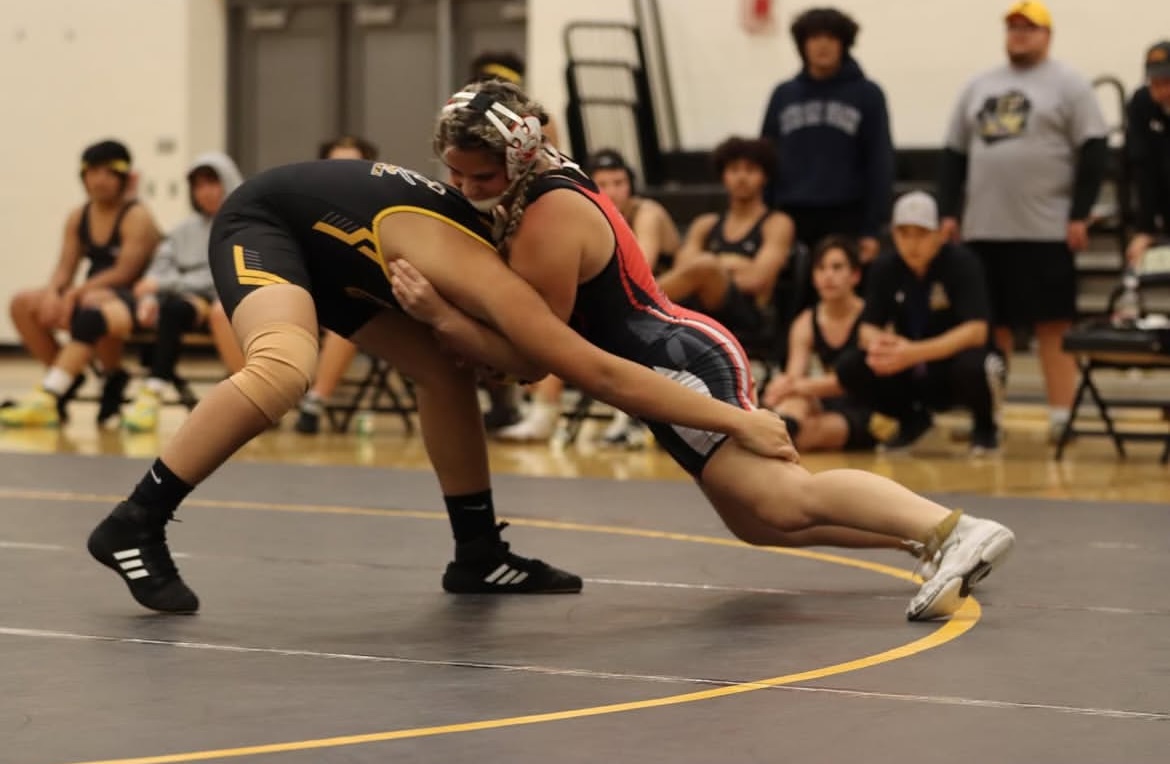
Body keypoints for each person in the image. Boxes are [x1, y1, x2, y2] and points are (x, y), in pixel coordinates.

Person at [400, 80, 1015, 621]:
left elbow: (536, 356)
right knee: (754, 521)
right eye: (455, 174)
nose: (466, 189)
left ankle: (955, 530)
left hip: (677, 364)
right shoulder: (537, 175)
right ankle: (923, 538)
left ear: (522, 154)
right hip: (670, 355)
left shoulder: (546, 218)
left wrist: (443, 318)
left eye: (481, 177)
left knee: (785, 497)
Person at [84, 157, 794, 615]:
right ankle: (135, 520)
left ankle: (478, 553)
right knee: (282, 369)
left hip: (339, 244)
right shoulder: (492, 259)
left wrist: (462, 335)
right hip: (270, 223)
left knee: (441, 370)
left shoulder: (514, 236)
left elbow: (515, 360)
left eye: (476, 176)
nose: (467, 186)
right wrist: (731, 421)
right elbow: (575, 368)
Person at [937, 0, 1108, 440]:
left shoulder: (1069, 84)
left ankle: (1060, 416)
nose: (1019, 35)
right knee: (993, 329)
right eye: (1013, 27)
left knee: (1054, 324)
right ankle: (990, 415)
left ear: (1047, 36)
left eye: (1028, 28)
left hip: (1045, 229)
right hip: (984, 228)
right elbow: (954, 153)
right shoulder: (978, 85)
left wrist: (1079, 215)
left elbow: (1093, 151)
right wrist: (948, 213)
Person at [495, 148, 682, 445]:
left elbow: (636, 274)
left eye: (619, 182)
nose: (613, 191)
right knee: (558, 327)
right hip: (624, 305)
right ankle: (543, 412)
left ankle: (629, 416)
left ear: (631, 184)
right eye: (604, 184)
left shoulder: (648, 212)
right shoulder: (586, 211)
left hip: (666, 301)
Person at [3, 140, 160, 427]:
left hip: (132, 298)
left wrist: (76, 293)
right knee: (23, 303)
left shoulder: (137, 216)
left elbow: (125, 272)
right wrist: (54, 292)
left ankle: (111, 375)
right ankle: (64, 377)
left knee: (94, 302)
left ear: (123, 178)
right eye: (93, 172)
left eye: (108, 173)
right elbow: (66, 266)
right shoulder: (79, 216)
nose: (99, 180)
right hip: (92, 292)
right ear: (83, 176)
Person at [836, 192, 1005, 455]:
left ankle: (985, 427)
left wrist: (914, 352)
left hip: (952, 365)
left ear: (939, 234)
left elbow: (977, 331)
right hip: (909, 365)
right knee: (851, 365)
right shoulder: (884, 268)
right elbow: (867, 328)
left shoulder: (963, 263)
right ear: (893, 235)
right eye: (904, 234)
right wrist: (885, 345)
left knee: (975, 364)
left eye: (921, 234)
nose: (912, 244)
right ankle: (911, 420)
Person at [120, 153, 244, 433]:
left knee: (183, 307)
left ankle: (155, 385)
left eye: (212, 183)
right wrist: (149, 295)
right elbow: (160, 266)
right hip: (186, 302)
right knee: (170, 309)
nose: (206, 192)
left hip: (229, 301)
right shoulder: (183, 230)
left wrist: (163, 286)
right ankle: (153, 388)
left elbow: (221, 275)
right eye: (198, 186)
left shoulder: (246, 225)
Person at [759, 7, 893, 264]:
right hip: (790, 213)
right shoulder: (782, 95)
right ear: (802, 44)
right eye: (814, 37)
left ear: (844, 44)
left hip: (846, 212)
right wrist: (764, 218)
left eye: (831, 38)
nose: (823, 45)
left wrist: (871, 228)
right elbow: (765, 159)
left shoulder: (868, 94)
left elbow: (879, 161)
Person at [657, 136, 794, 343]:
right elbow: (683, 269)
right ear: (723, 175)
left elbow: (757, 279)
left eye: (750, 170)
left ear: (764, 176)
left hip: (749, 314)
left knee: (706, 266)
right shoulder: (705, 224)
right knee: (704, 268)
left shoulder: (776, 223)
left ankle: (637, 302)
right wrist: (735, 264)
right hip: (699, 309)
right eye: (734, 170)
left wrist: (713, 268)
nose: (741, 177)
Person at [294, 135, 380, 434]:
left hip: (363, 301)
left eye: (351, 167)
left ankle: (314, 402)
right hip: (306, 297)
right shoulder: (300, 209)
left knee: (346, 321)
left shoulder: (385, 214)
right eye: (335, 167)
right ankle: (266, 400)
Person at [761, 236, 878, 452]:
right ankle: (769, 432)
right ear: (813, 277)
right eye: (821, 268)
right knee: (793, 401)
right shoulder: (806, 321)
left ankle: (765, 439)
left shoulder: (871, 318)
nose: (828, 276)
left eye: (837, 267)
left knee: (807, 434)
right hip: (826, 402)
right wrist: (781, 389)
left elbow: (851, 381)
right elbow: (795, 375)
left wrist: (794, 385)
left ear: (855, 275)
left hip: (868, 409)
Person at [1125, 40, 1170, 265]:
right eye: (1155, 81)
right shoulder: (1142, 103)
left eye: (1167, 81)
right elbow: (1143, 166)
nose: (1161, 89)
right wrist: (1145, 228)